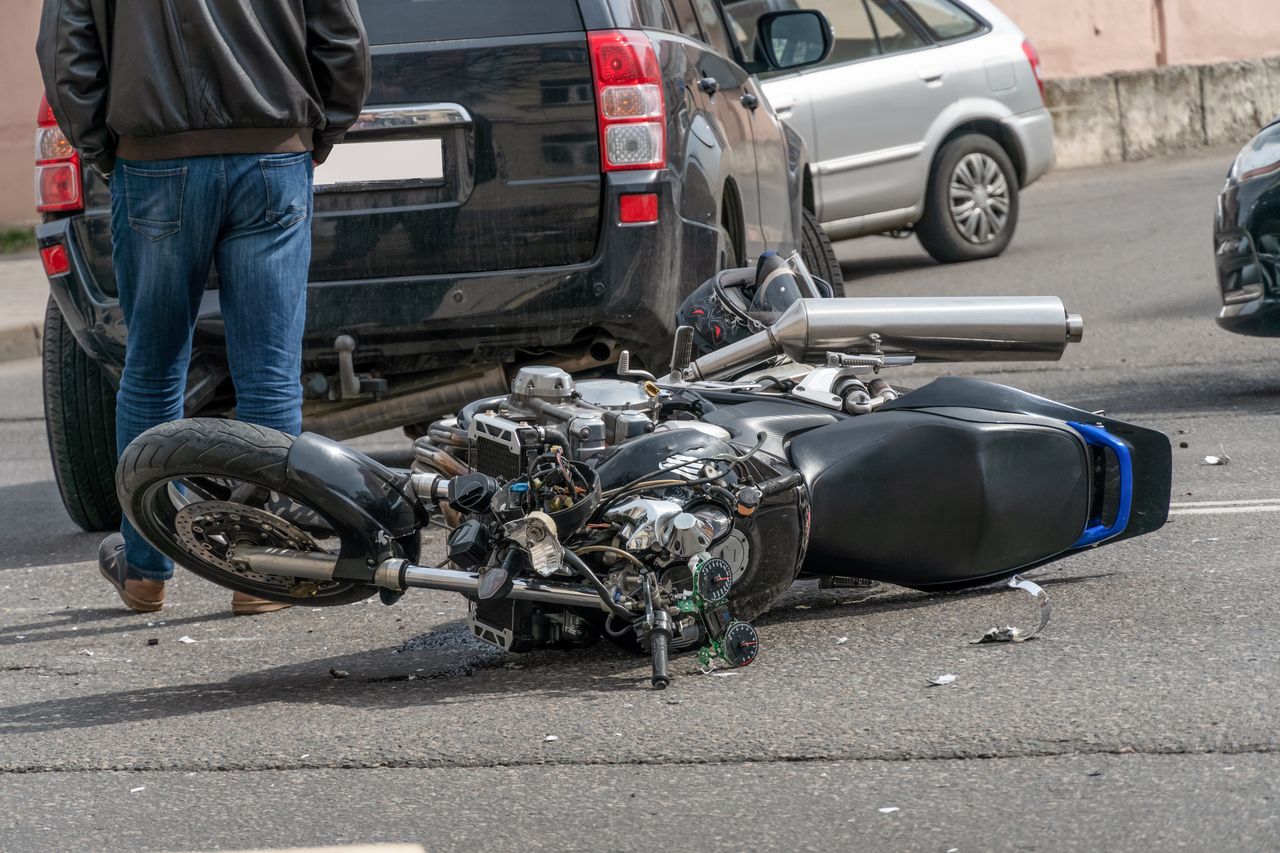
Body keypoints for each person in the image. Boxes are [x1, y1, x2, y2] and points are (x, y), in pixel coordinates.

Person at [37, 0, 370, 615]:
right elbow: (342, 40)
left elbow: (65, 57)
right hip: (273, 155)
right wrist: (319, 136)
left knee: (154, 368)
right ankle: (259, 569)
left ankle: (144, 569)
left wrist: (107, 150)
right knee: (268, 373)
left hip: (154, 162)